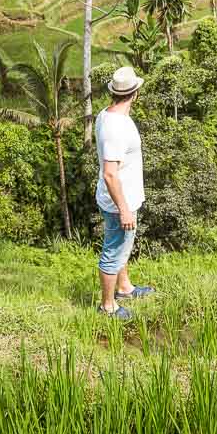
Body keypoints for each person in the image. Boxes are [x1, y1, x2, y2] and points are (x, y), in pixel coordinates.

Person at [95, 65, 155, 319]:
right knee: (114, 250)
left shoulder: (106, 115)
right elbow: (110, 173)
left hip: (121, 199)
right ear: (135, 93)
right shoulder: (116, 127)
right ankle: (108, 307)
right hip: (120, 201)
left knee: (122, 247)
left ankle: (125, 288)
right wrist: (124, 210)